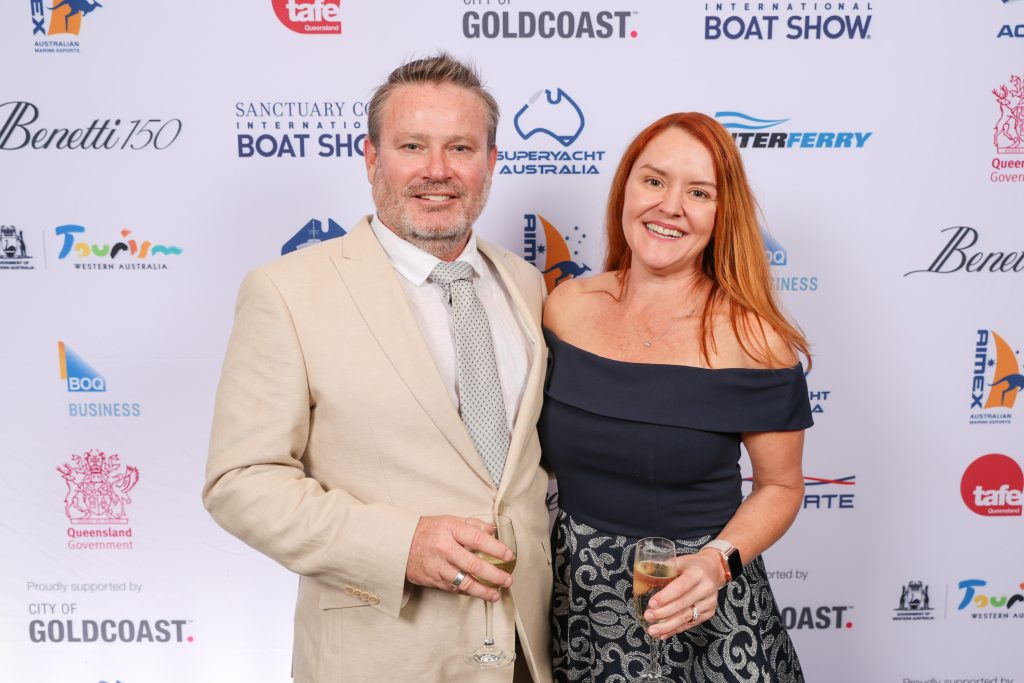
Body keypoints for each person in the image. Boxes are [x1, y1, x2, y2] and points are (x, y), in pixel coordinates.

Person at [203, 54, 553, 683]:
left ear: (491, 162)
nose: (437, 170)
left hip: (526, 654)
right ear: (371, 158)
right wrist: (401, 545)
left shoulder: (525, 284)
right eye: (412, 146)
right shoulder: (287, 292)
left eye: (461, 147)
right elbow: (241, 480)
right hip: (380, 657)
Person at [540, 112, 813, 682]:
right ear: (626, 189)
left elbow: (782, 487)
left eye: (698, 192)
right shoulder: (564, 308)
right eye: (654, 181)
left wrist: (717, 563)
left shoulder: (755, 340)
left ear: (722, 213)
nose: (670, 206)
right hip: (576, 600)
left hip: (700, 608)